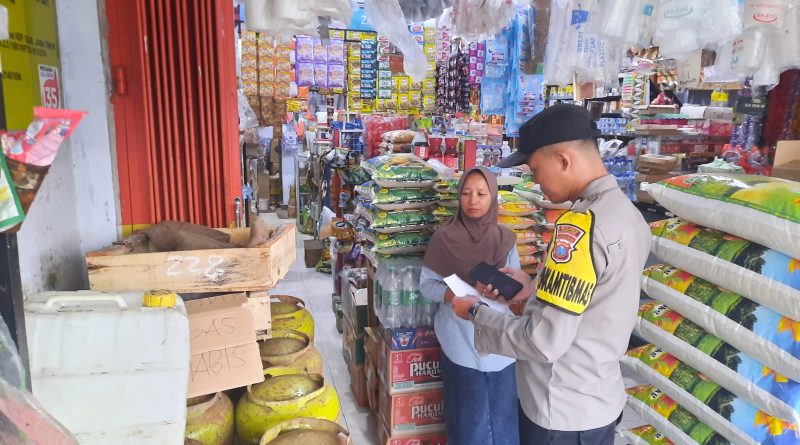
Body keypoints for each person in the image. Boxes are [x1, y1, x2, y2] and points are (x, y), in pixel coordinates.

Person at [450, 104, 651, 445]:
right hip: (599, 399)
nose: (535, 181)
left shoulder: (579, 228)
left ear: (563, 159)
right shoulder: (628, 214)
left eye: (535, 169)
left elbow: (542, 341)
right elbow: (596, 300)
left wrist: (474, 312)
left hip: (560, 410)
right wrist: (535, 289)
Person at [421, 166, 520, 445]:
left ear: (493, 197)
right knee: (467, 424)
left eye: (481, 194)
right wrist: (454, 297)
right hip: (460, 344)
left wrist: (500, 292)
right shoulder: (444, 238)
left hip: (499, 346)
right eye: (466, 193)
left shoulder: (505, 239)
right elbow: (427, 285)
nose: (472, 201)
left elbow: (516, 289)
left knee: (502, 424)